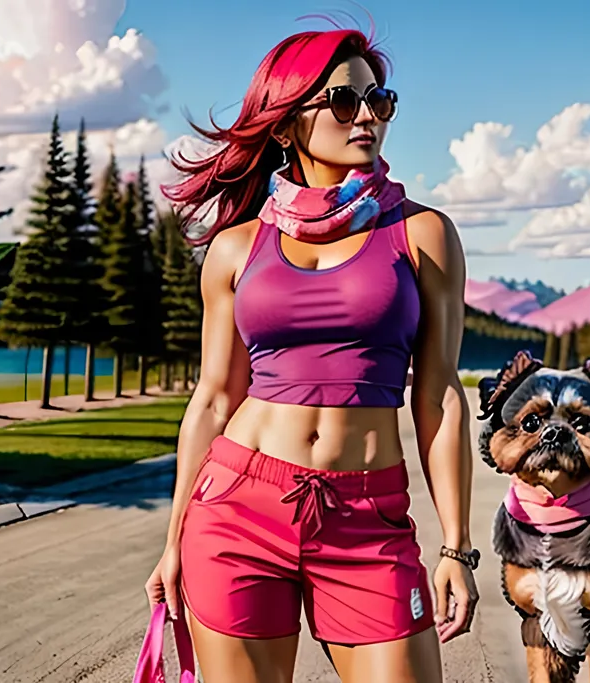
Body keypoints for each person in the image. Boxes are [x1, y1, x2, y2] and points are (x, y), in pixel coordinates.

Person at [145, 24, 479, 683]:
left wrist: (457, 546)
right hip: (236, 508)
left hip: (367, 516)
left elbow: (438, 393)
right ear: (286, 123)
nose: (367, 117)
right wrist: (173, 538)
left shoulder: (423, 233)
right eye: (344, 101)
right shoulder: (237, 249)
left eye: (379, 101)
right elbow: (214, 396)